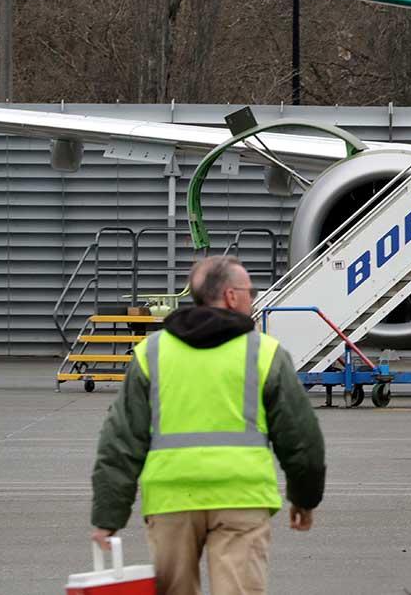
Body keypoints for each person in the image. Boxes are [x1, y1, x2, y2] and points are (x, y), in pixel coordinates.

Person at [89, 255, 326, 595]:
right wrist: (304, 499)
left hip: (171, 501)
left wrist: (107, 517)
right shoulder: (264, 353)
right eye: (250, 291)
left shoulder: (151, 353)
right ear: (231, 296)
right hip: (241, 500)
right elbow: (301, 437)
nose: (253, 298)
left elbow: (120, 441)